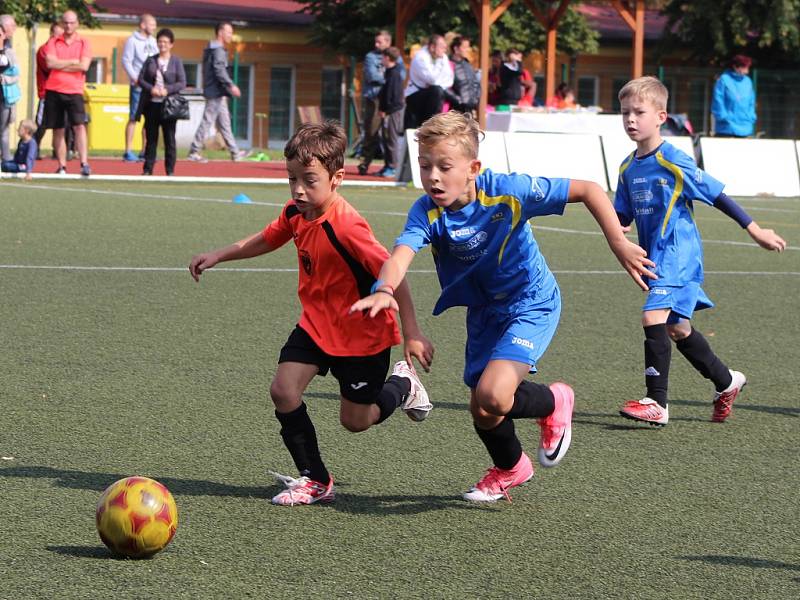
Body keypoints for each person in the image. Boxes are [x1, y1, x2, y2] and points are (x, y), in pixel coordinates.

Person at [350, 111, 656, 503]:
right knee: (483, 409)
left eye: (445, 167)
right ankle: (512, 467)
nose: (433, 177)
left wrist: (617, 241)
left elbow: (590, 190)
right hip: (485, 313)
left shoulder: (508, 191)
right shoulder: (426, 211)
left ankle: (556, 399)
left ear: (473, 168)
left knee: (494, 395)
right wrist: (385, 287)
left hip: (531, 301)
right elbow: (400, 255)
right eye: (425, 166)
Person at [188, 121, 434, 506]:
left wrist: (413, 331)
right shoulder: (296, 211)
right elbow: (269, 237)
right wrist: (221, 254)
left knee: (356, 421)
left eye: (309, 180)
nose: (298, 189)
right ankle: (315, 479)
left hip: (360, 335)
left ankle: (403, 385)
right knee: (283, 391)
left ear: (337, 178)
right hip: (317, 326)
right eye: (292, 179)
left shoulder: (348, 226)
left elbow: (394, 273)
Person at [614, 76, 786, 426]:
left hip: (678, 255)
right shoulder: (627, 168)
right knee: (677, 329)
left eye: (639, 112)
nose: (631, 119)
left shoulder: (674, 160)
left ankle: (657, 403)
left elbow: (718, 195)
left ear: (661, 117)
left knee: (652, 317)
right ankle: (727, 382)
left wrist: (755, 231)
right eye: (625, 113)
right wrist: (616, 226)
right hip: (654, 258)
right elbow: (622, 216)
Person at [188, 21, 246, 163]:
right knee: (207, 121)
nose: (231, 35)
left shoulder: (211, 48)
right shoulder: (218, 50)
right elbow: (219, 70)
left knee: (225, 123)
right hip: (215, 92)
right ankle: (194, 151)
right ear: (220, 32)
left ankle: (235, 152)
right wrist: (231, 86)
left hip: (217, 91)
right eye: (229, 32)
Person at [43, 10, 92, 177]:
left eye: (72, 22)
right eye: (66, 22)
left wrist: (60, 64)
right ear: (62, 24)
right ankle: (62, 165)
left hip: (75, 90)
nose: (69, 25)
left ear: (77, 23)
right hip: (54, 89)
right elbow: (50, 63)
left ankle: (84, 163)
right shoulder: (53, 41)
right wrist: (72, 62)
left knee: (79, 126)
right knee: (58, 129)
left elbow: (84, 66)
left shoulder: (84, 43)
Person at [136, 28, 186, 176]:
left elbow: (182, 82)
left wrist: (167, 90)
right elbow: (141, 79)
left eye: (165, 42)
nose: (162, 44)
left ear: (171, 44)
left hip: (169, 106)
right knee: (151, 139)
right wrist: (151, 89)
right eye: (160, 41)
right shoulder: (150, 60)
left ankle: (170, 170)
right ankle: (147, 169)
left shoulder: (176, 61)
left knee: (169, 139)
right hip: (152, 105)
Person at [357, 30, 404, 176]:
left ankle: (389, 165)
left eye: (380, 42)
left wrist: (390, 78)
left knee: (388, 134)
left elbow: (400, 75)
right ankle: (365, 163)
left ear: (388, 42)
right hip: (374, 99)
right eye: (376, 41)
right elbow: (372, 75)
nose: (376, 44)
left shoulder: (397, 57)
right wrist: (389, 78)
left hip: (389, 100)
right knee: (371, 131)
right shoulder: (371, 57)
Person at [121, 13, 157, 162]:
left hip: (151, 86)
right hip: (138, 86)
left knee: (149, 119)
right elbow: (126, 60)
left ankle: (145, 150)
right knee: (134, 117)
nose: (154, 28)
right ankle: (128, 150)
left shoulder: (154, 41)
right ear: (143, 25)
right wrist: (135, 78)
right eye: (151, 24)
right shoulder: (132, 41)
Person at [404, 34, 453, 129]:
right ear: (432, 47)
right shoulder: (420, 57)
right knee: (436, 90)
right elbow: (432, 80)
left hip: (431, 96)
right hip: (415, 96)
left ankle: (433, 126)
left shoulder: (443, 57)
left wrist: (438, 82)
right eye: (442, 47)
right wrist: (440, 66)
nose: (444, 50)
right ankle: (431, 126)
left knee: (438, 90)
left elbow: (449, 80)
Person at [34, 22, 64, 158]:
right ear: (51, 34)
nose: (59, 37)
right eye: (57, 34)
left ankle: (59, 151)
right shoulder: (44, 50)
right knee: (41, 124)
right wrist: (68, 64)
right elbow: (51, 67)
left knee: (62, 124)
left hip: (62, 91)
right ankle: (34, 149)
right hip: (46, 93)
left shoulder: (62, 50)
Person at [376, 46, 405, 179]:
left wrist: (385, 110)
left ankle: (392, 167)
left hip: (393, 111)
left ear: (387, 58)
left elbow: (392, 95)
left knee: (391, 139)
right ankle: (387, 165)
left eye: (383, 57)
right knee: (385, 138)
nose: (382, 59)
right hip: (388, 111)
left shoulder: (394, 73)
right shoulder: (389, 72)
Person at [711, 55, 757, 138]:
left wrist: (751, 116)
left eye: (748, 68)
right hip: (727, 128)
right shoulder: (724, 80)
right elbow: (718, 100)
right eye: (744, 68)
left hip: (745, 127)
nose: (747, 71)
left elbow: (751, 101)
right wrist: (723, 117)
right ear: (735, 67)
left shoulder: (748, 81)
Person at [0, 16, 20, 163]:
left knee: (4, 128)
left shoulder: (10, 51)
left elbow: (16, 74)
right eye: (12, 25)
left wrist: (5, 79)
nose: (14, 28)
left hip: (5, 95)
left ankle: (6, 159)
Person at [445, 36, 480, 114]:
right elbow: (444, 86)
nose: (468, 50)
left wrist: (476, 99)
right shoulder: (447, 64)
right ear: (456, 49)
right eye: (465, 47)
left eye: (468, 47)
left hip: (469, 109)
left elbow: (476, 83)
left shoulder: (468, 65)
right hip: (453, 110)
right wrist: (458, 100)